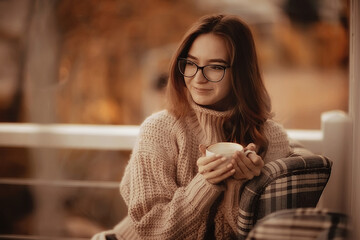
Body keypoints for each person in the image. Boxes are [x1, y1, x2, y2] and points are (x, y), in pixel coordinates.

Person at [92, 14, 291, 240]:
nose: (198, 78)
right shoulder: (159, 130)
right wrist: (206, 184)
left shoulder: (270, 137)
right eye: (191, 63)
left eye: (215, 67)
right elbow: (151, 230)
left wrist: (239, 186)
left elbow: (264, 234)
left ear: (242, 73)